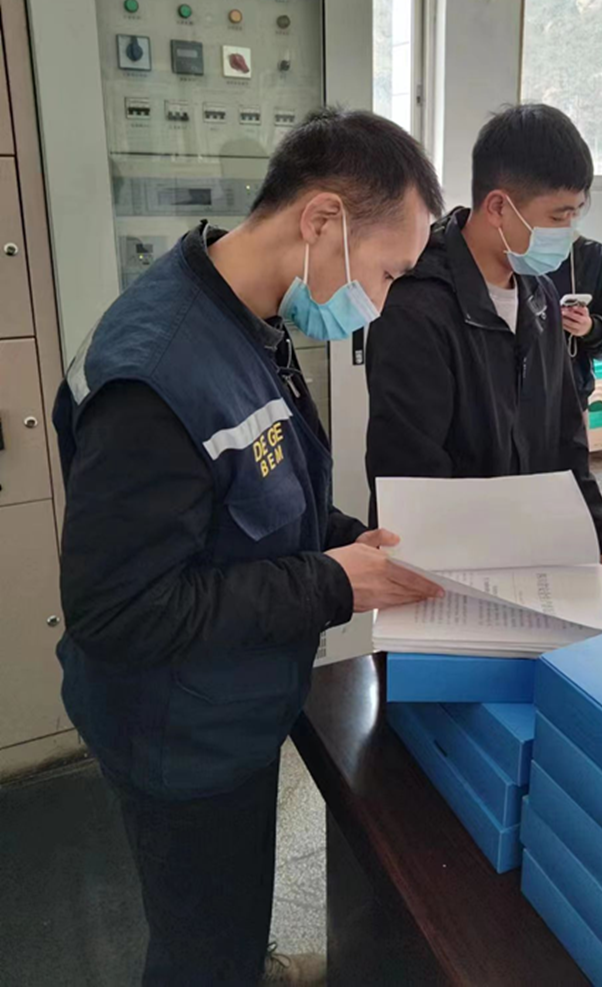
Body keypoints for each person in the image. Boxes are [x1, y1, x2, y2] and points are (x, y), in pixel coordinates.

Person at [53, 108, 445, 987]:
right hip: (176, 733)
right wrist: (331, 583)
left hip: (230, 698)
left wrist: (347, 541)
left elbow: (255, 499)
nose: (380, 303)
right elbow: (120, 610)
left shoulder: (248, 318)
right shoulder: (159, 372)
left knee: (226, 912)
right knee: (202, 947)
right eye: (387, 273)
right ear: (322, 220)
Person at [365, 103, 602, 592]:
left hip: (527, 560)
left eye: (575, 215)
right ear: (499, 207)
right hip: (445, 571)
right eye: (558, 216)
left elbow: (565, 437)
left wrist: (597, 544)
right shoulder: (417, 307)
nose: (568, 233)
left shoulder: (538, 297)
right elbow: (410, 472)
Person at [548, 222, 602, 410]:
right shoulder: (506, 256)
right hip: (512, 398)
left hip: (571, 398)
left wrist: (590, 329)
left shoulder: (595, 258)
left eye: (573, 211)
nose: (566, 218)